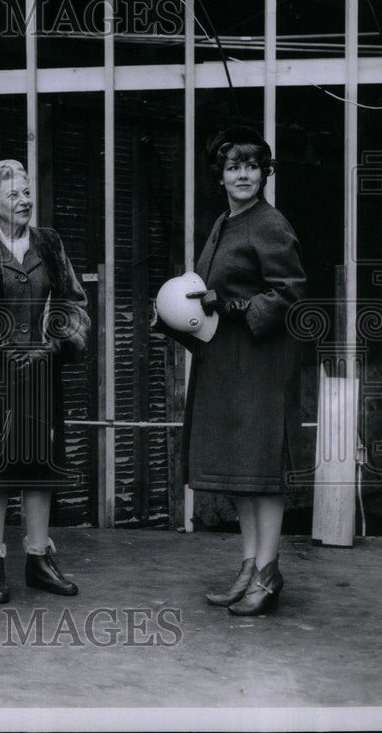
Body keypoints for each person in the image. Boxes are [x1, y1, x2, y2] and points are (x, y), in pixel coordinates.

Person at [161, 125, 305, 616]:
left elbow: (290, 294)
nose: (242, 174)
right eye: (232, 166)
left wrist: (234, 303)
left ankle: (268, 572)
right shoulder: (225, 223)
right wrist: (175, 316)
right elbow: (209, 298)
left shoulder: (269, 223)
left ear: (264, 172)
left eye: (251, 166)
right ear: (219, 176)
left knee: (261, 473)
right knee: (243, 475)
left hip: (261, 367)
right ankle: (249, 566)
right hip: (228, 364)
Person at [0, 159, 90, 603]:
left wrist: (56, 343)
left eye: (27, 192)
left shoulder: (49, 243)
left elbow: (72, 301)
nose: (25, 200)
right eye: (14, 194)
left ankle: (38, 558)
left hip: (42, 369)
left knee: (40, 461)